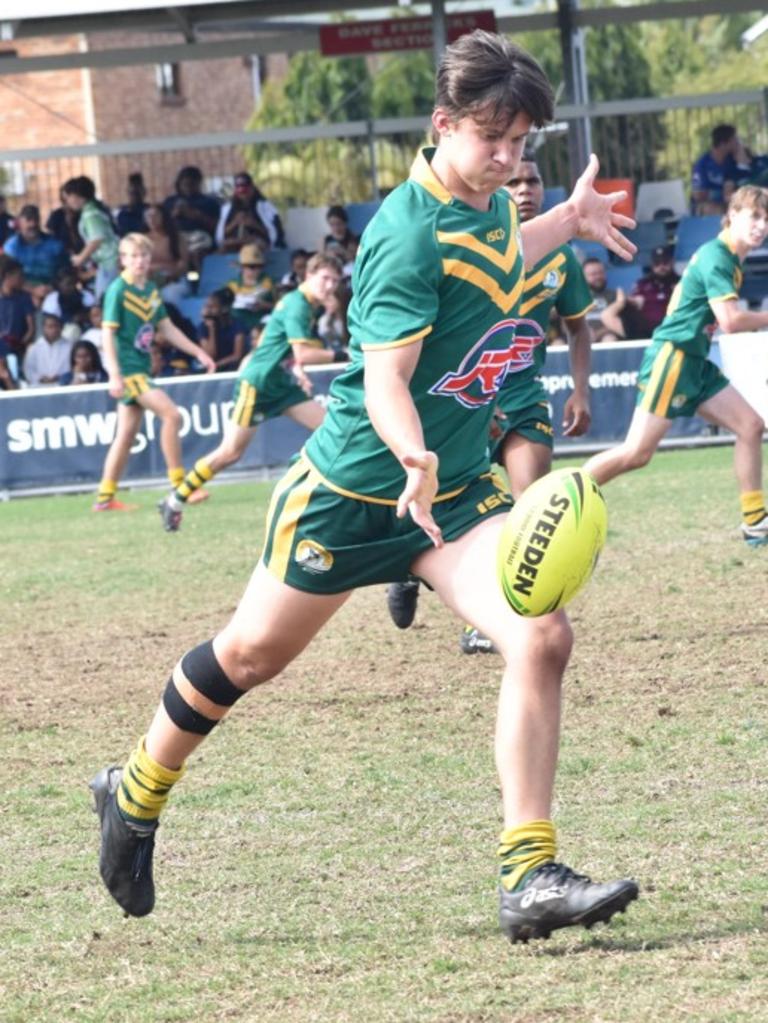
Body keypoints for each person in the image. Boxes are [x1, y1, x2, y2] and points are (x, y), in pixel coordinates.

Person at [90, 30, 639, 945]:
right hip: (353, 493)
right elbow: (384, 380)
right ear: (442, 125)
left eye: (521, 143)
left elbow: (496, 269)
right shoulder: (402, 233)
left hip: (453, 499)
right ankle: (134, 790)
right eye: (490, 138)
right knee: (249, 658)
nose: (507, 158)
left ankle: (528, 872)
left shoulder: (491, 201)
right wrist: (413, 454)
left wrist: (566, 224)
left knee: (541, 634)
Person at [388, 149, 595, 652]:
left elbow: (579, 328)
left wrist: (581, 390)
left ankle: (490, 619)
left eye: (534, 179)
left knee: (530, 506)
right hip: (463, 400)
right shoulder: (463, 245)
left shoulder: (560, 257)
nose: (525, 189)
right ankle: (406, 567)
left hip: (523, 397)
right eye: (517, 182)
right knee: (439, 502)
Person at [585, 185, 768, 546]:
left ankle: (754, 523)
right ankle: (558, 501)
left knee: (750, 425)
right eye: (755, 216)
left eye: (766, 219)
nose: (761, 225)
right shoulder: (718, 256)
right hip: (674, 356)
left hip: (693, 359)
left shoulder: (730, 257)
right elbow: (729, 321)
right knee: (637, 453)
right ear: (731, 216)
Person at [157, 252, 345, 530]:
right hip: (257, 383)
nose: (329, 285)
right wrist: (345, 354)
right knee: (231, 452)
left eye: (334, 281)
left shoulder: (309, 304)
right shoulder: (298, 305)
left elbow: (287, 349)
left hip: (280, 383)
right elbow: (303, 351)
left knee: (333, 430)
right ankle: (175, 499)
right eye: (324, 278)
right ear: (309, 275)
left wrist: (297, 369)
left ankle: (325, 497)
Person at [92, 232, 216, 513]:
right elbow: (108, 335)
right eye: (133, 256)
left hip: (140, 368)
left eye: (144, 256)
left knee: (124, 435)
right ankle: (180, 486)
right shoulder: (118, 291)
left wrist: (197, 351)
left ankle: (105, 497)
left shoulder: (148, 290)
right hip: (130, 372)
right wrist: (114, 373)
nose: (140, 261)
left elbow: (167, 328)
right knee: (172, 415)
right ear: (122, 259)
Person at [63, 176, 121, 299]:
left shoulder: (90, 214)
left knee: (104, 300)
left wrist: (80, 258)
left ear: (76, 195)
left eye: (68, 197)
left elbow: (96, 240)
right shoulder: (96, 208)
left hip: (110, 262)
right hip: (109, 262)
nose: (67, 201)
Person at [161, 166, 220, 275]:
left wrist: (194, 214)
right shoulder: (170, 201)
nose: (188, 188)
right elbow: (162, 223)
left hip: (200, 237)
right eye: (185, 184)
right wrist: (175, 213)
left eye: (192, 184)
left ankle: (202, 283)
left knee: (196, 254)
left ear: (198, 184)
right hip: (178, 237)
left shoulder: (209, 202)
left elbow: (217, 227)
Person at [215, 171, 285, 253]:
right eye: (239, 188)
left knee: (257, 244)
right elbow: (220, 237)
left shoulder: (266, 207)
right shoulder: (227, 208)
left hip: (258, 243)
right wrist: (235, 223)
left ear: (252, 188)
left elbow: (276, 235)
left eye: (245, 188)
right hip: (234, 243)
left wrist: (253, 224)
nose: (242, 193)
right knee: (222, 249)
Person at [3, 205, 67, 287]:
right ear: (20, 222)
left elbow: (65, 271)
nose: (33, 224)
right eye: (28, 219)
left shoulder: (55, 245)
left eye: (36, 219)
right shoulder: (11, 247)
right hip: (21, 293)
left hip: (51, 291)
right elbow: (7, 278)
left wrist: (52, 287)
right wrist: (32, 290)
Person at [625, 245, 680, 338]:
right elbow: (635, 304)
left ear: (672, 262)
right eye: (657, 263)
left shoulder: (681, 283)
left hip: (674, 328)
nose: (661, 266)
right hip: (647, 332)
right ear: (652, 265)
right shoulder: (642, 284)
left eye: (665, 262)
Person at [144, 203, 190, 306]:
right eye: (148, 216)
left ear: (163, 217)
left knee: (170, 296)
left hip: (174, 281)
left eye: (155, 216)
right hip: (149, 281)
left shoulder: (176, 237)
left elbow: (183, 263)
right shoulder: (143, 240)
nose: (152, 219)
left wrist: (170, 278)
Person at [691, 124, 741, 216]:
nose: (738, 143)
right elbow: (698, 195)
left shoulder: (732, 160)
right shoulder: (702, 165)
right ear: (723, 144)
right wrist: (722, 194)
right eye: (734, 140)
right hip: (707, 205)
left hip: (731, 202)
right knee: (712, 208)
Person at [225, 243, 275, 334]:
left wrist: (265, 305)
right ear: (242, 267)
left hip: (262, 324)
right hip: (238, 326)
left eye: (259, 266)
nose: (256, 270)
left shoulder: (269, 282)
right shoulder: (232, 284)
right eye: (251, 266)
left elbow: (279, 306)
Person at [197, 288, 246, 372]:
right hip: (211, 367)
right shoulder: (203, 327)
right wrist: (211, 330)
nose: (207, 310)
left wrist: (216, 365)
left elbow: (237, 356)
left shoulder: (238, 325)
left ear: (225, 309)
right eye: (206, 306)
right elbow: (210, 356)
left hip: (232, 368)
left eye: (212, 307)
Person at [0, 256, 35, 366]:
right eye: (19, 276)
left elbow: (31, 328)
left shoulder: (24, 298)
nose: (22, 279)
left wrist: (21, 343)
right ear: (7, 276)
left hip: (17, 347)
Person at [582, 257, 628, 341]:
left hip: (607, 336)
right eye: (593, 274)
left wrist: (597, 334)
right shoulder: (576, 296)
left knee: (609, 339)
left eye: (601, 272)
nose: (598, 277)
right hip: (581, 337)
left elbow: (621, 325)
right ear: (583, 277)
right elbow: (566, 324)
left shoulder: (615, 296)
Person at [22, 312, 72, 386]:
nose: (53, 330)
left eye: (56, 326)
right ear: (44, 328)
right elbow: (28, 370)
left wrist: (60, 377)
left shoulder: (70, 347)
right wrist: (41, 378)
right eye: (50, 326)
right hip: (39, 386)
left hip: (62, 385)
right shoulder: (34, 348)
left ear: (61, 328)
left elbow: (72, 368)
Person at [116, 173, 150, 237]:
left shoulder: (149, 211)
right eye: (133, 192)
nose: (135, 194)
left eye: (137, 192)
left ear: (144, 192)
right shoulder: (122, 212)